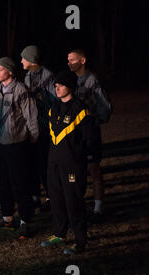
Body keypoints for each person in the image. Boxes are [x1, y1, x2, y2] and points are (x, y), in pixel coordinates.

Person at [41, 70, 101, 254]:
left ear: (70, 87)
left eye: (60, 84)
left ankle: (80, 240)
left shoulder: (81, 110)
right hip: (54, 164)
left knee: (73, 202)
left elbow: (91, 141)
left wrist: (92, 158)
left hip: (73, 165)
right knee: (56, 200)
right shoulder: (54, 108)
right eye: (56, 84)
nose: (56, 87)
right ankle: (59, 233)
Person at [0, 57, 39, 238]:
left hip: (17, 145)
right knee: (3, 183)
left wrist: (32, 137)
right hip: (0, 144)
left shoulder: (20, 89)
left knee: (20, 184)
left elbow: (31, 116)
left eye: (0, 70)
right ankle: (7, 217)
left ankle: (25, 221)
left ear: (10, 71)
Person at [68, 49, 112, 222]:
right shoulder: (70, 80)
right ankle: (78, 205)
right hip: (73, 133)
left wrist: (94, 121)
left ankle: (98, 208)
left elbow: (105, 105)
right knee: (75, 170)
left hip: (89, 133)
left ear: (83, 60)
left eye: (72, 59)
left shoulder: (92, 80)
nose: (69, 62)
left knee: (93, 169)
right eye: (68, 60)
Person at [21, 45, 58, 212]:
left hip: (45, 126)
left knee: (45, 163)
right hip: (33, 125)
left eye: (23, 58)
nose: (21, 61)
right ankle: (35, 195)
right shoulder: (27, 76)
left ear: (31, 59)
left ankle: (51, 197)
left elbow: (53, 100)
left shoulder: (48, 76)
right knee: (32, 163)